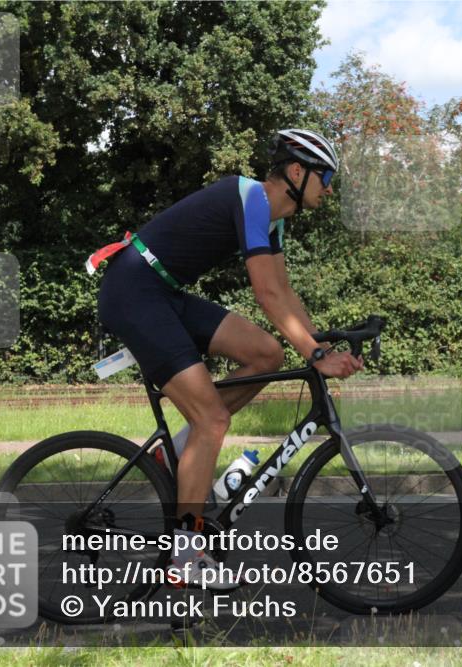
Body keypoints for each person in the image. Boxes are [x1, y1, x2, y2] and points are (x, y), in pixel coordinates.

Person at [93, 129, 363, 588]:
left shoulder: (272, 219)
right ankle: (185, 557)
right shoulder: (252, 198)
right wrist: (315, 354)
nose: (330, 188)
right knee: (213, 420)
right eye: (327, 177)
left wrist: (323, 343)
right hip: (134, 291)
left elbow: (284, 293)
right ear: (297, 171)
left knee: (266, 353)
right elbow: (266, 294)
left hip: (162, 292)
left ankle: (175, 452)